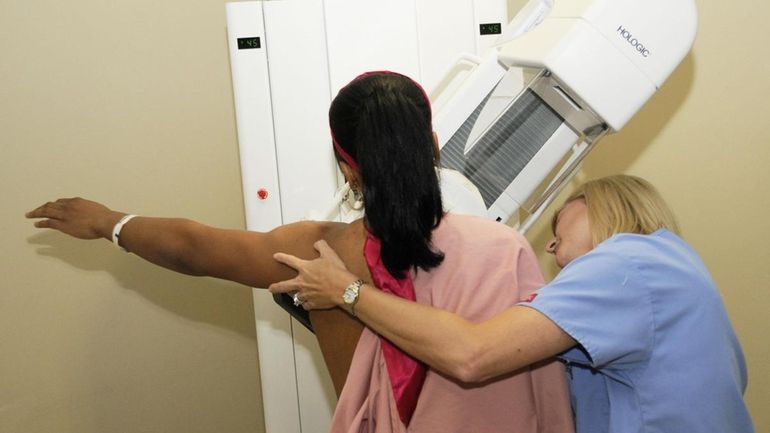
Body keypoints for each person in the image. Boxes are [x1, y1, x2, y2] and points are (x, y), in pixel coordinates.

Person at [26, 71, 574, 433]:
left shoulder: (318, 256)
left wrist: (108, 223)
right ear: (433, 145)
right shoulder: (503, 250)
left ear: (347, 169)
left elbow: (192, 248)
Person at [270, 174, 755, 433]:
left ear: (602, 205)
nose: (548, 247)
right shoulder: (675, 271)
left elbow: (472, 354)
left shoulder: (627, 264)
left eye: (559, 222)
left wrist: (348, 292)